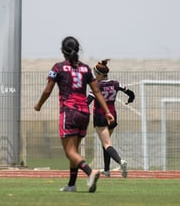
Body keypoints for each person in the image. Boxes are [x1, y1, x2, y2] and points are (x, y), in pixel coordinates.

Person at [34, 36, 114, 193]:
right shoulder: (86, 69)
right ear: (78, 50)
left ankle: (90, 172)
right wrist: (107, 111)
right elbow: (96, 91)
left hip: (69, 112)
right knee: (74, 151)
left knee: (69, 151)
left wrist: (39, 105)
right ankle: (71, 185)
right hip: (84, 112)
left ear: (62, 51)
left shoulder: (58, 68)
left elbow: (47, 90)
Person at [87, 59, 135, 178]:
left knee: (107, 144)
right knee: (106, 142)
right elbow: (131, 93)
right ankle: (107, 170)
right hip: (112, 116)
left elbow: (87, 101)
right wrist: (130, 100)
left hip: (100, 117)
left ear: (98, 74)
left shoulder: (96, 86)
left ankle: (120, 162)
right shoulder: (115, 83)